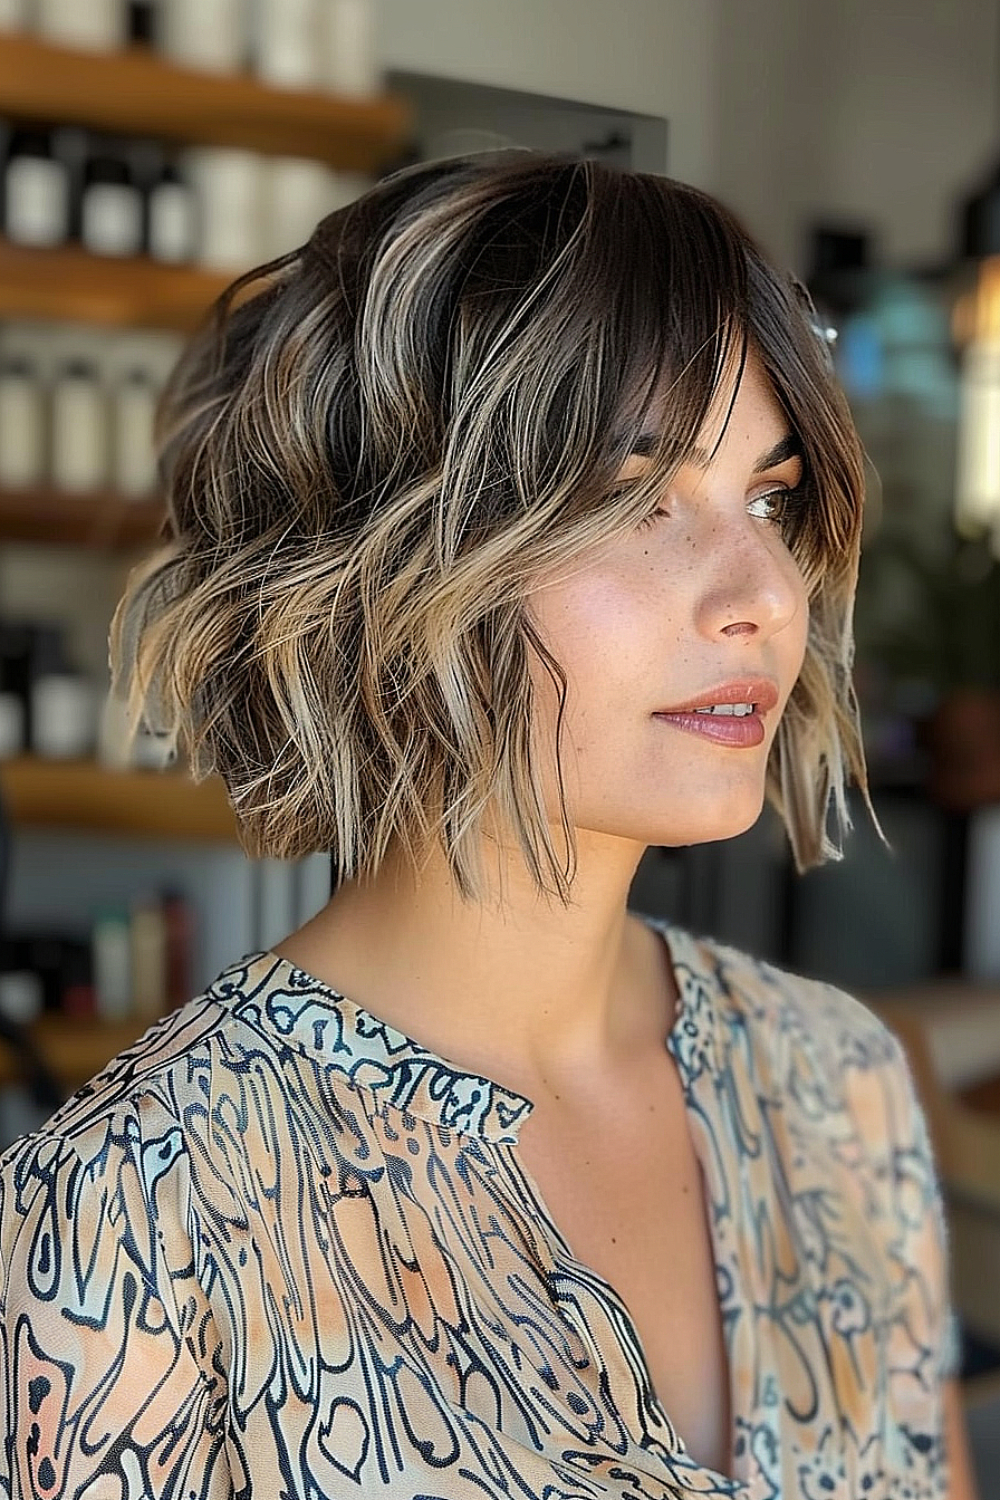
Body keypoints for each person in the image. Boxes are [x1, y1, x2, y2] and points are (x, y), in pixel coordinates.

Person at [0, 150, 978, 1500]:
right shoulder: (137, 1216)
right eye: (636, 496)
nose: (759, 592)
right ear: (391, 557)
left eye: (771, 498)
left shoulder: (841, 1084)